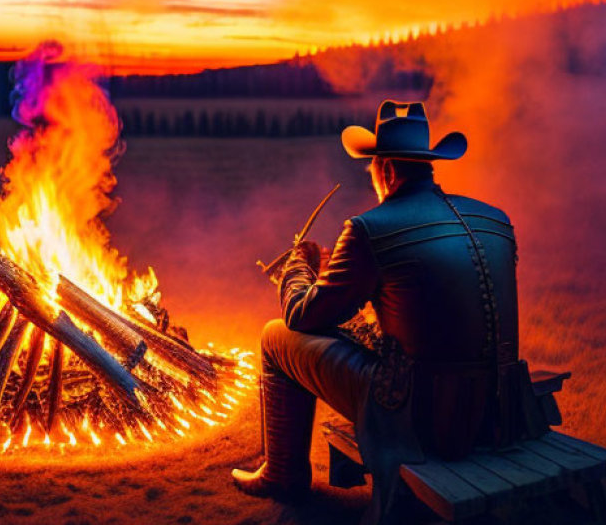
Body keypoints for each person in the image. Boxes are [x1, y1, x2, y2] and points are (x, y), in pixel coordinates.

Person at [232, 101, 543, 522]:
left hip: (421, 415)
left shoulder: (368, 228)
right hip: (502, 409)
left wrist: (299, 264)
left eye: (372, 171)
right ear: (428, 164)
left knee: (275, 336)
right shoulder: (495, 218)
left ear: (388, 171)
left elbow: (301, 316)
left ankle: (282, 474)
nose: (372, 181)